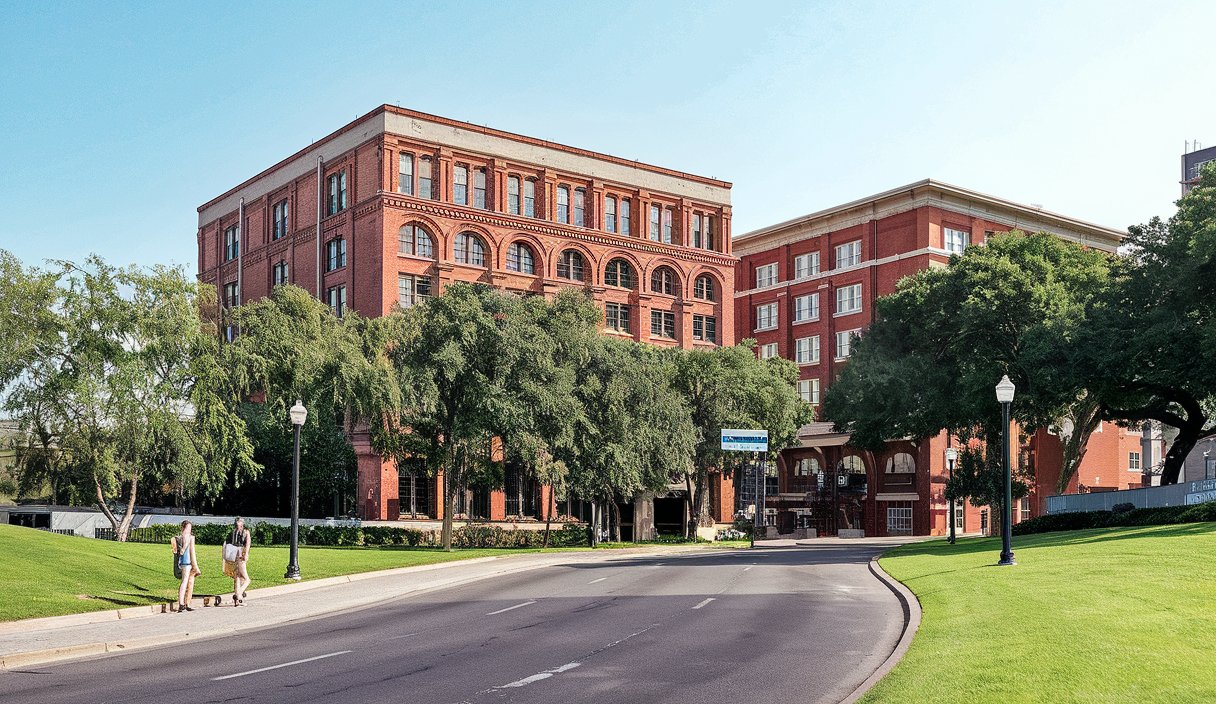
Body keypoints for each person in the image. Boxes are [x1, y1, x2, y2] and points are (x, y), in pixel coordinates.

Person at [171, 520, 200, 612]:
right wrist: (196, 567)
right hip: (187, 563)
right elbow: (192, 552)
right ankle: (182, 604)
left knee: (188, 583)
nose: (189, 530)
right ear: (183, 528)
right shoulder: (188, 538)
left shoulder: (179, 538)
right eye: (188, 528)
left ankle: (185, 603)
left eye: (190, 529)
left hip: (184, 562)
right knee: (186, 582)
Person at [229, 517, 252, 606]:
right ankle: (238, 594)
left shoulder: (234, 532)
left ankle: (239, 600)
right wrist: (246, 554)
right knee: (247, 579)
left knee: (237, 576)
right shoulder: (246, 532)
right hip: (241, 555)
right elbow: (248, 544)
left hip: (234, 555)